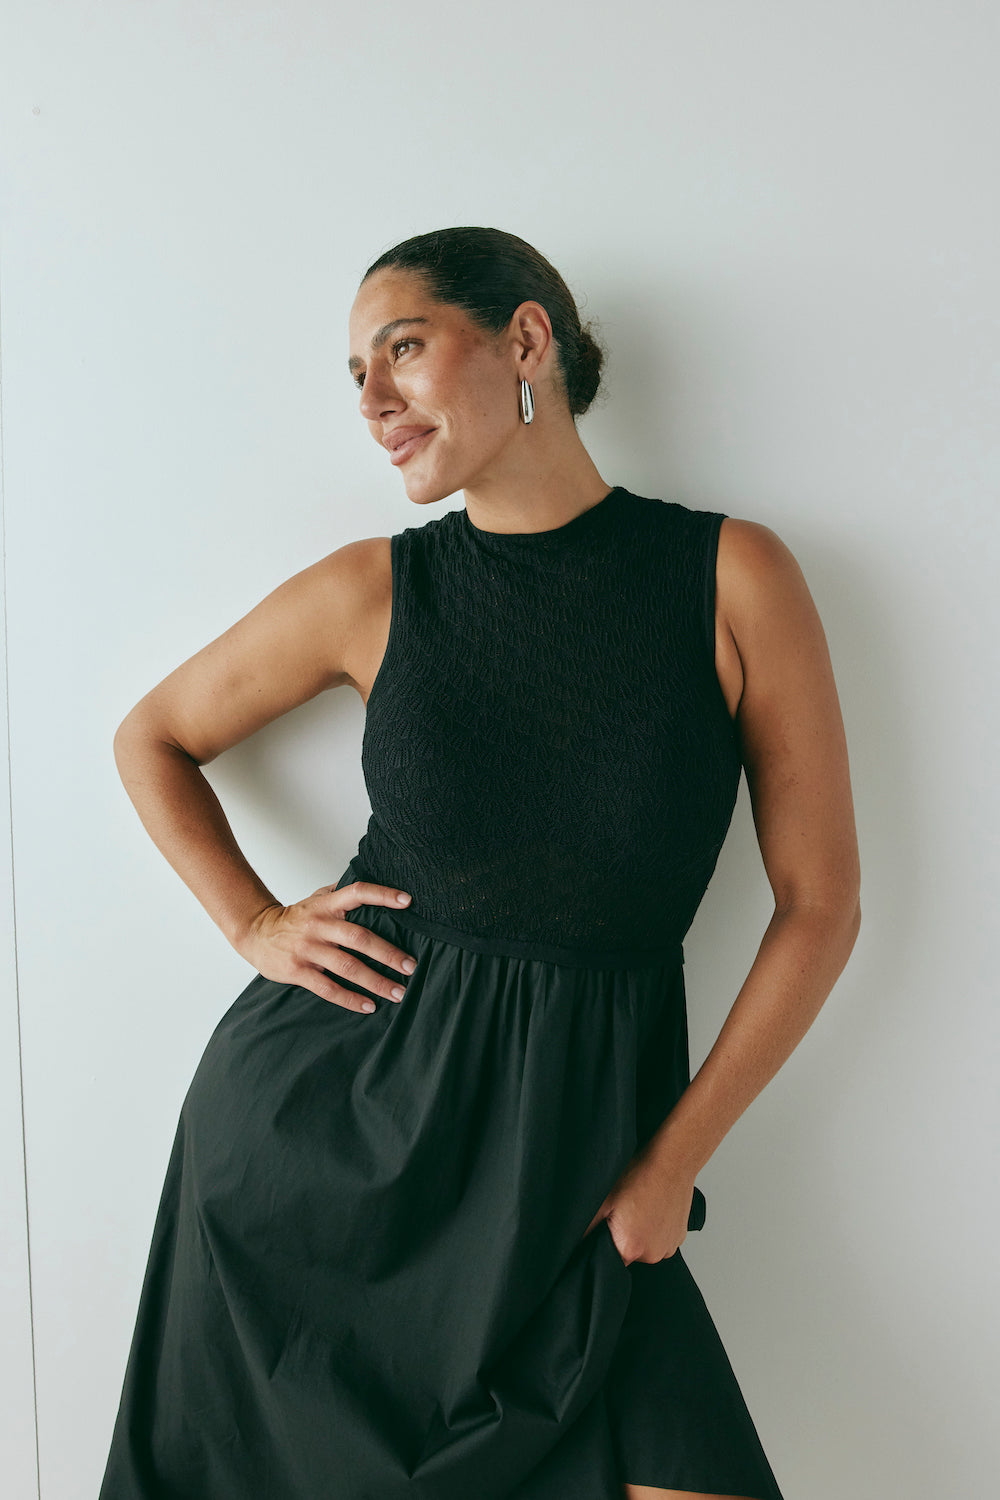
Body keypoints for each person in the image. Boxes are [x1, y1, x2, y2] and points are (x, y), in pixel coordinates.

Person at [99, 225, 861, 1500]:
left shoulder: (732, 576)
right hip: (324, 1163)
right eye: (355, 374)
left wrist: (672, 1165)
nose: (373, 400)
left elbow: (820, 905)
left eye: (401, 349)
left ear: (524, 340)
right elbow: (153, 737)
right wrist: (253, 923)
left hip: (581, 1171)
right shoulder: (373, 591)